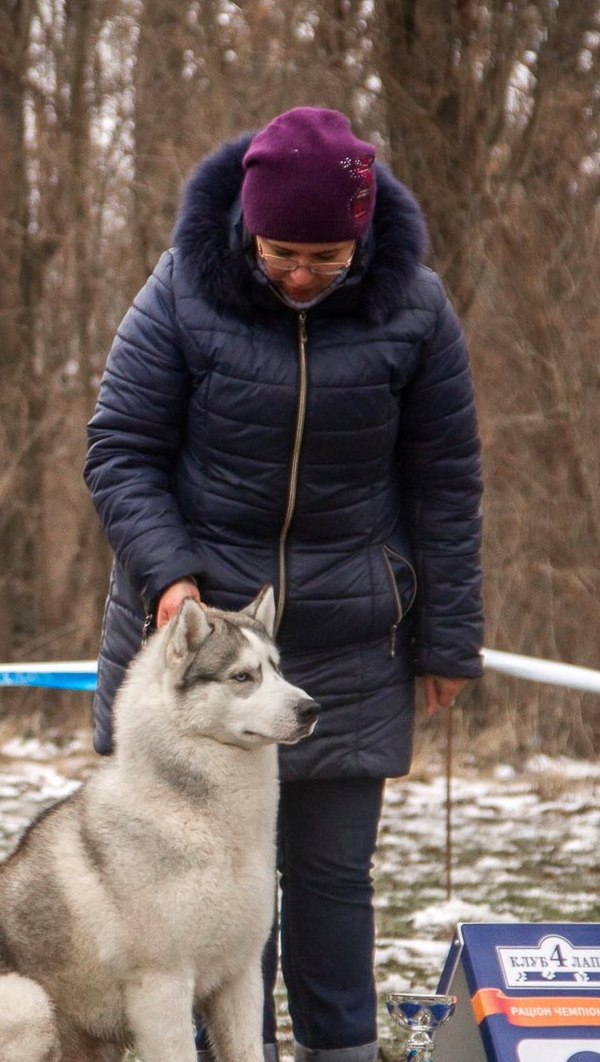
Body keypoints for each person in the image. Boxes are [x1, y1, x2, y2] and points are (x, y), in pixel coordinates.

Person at [84, 107, 484, 1062]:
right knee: (199, 880)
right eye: (281, 253)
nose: (301, 274)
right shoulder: (182, 290)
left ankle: (341, 1050)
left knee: (333, 874)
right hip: (201, 649)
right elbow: (121, 449)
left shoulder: (417, 309)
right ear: (246, 230)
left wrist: (447, 640)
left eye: (324, 256)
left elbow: (448, 482)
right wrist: (172, 580)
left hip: (353, 636)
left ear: (362, 236)